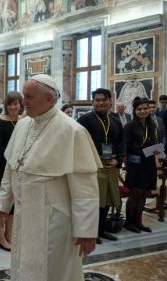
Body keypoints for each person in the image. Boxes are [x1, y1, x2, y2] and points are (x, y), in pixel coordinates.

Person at [0, 74, 101, 281]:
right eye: (23, 95)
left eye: (29, 97)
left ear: (49, 100)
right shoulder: (23, 124)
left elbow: (85, 189)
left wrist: (87, 231)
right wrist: (3, 204)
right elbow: (12, 167)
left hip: (55, 221)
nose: (23, 102)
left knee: (53, 271)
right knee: (22, 265)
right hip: (24, 215)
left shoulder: (72, 131)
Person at [77, 88, 124, 244]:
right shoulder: (84, 120)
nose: (101, 103)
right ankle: (91, 232)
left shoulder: (116, 121)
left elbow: (121, 143)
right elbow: (79, 144)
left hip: (111, 167)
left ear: (110, 102)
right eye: (97, 100)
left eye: (104, 100)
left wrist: (118, 161)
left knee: (106, 201)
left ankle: (102, 229)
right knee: (93, 202)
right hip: (93, 168)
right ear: (93, 102)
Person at [0, 91, 24, 251]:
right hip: (5, 167)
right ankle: (1, 238)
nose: (13, 107)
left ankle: (10, 236)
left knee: (14, 203)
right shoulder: (1, 123)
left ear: (20, 105)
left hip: (21, 168)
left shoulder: (25, 121)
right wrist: (14, 155)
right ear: (6, 106)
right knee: (1, 203)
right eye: (10, 104)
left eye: (16, 103)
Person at [123, 97, 159, 233]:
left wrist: (158, 149)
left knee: (144, 192)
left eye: (145, 109)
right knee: (135, 192)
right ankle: (128, 222)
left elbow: (154, 143)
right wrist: (145, 151)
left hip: (148, 162)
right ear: (135, 111)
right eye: (139, 109)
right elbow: (127, 147)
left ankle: (138, 221)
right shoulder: (130, 126)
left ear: (149, 110)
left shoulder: (151, 125)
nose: (143, 111)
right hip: (135, 163)